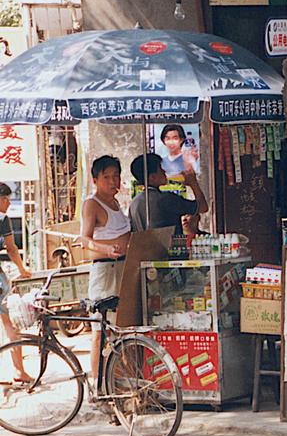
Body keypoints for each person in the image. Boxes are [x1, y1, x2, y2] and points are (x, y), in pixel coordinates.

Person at [80, 156, 131, 384]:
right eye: (107, 177)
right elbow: (84, 240)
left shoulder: (117, 203)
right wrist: (106, 248)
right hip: (105, 271)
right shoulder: (93, 204)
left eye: (116, 176)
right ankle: (99, 384)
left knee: (120, 328)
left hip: (122, 269)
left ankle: (117, 380)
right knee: (100, 331)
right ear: (95, 180)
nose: (113, 181)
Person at [129, 153, 208, 235]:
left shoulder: (134, 203)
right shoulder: (165, 199)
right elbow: (202, 207)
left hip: (143, 247)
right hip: (168, 246)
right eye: (160, 169)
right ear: (152, 177)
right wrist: (193, 183)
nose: (164, 171)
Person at [0, 182, 32, 382]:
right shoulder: (3, 219)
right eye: (5, 199)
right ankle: (19, 371)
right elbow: (12, 249)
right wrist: (22, 270)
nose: (9, 203)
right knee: (10, 323)